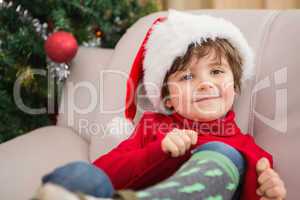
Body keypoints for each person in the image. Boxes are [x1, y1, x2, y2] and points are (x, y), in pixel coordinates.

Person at [34, 10, 287, 200]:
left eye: (217, 71)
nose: (205, 84)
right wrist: (159, 151)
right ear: (167, 98)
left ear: (236, 86)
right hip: (123, 191)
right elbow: (105, 171)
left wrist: (268, 190)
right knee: (81, 174)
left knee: (224, 153)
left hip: (218, 167)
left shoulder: (247, 149)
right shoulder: (153, 128)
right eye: (187, 77)